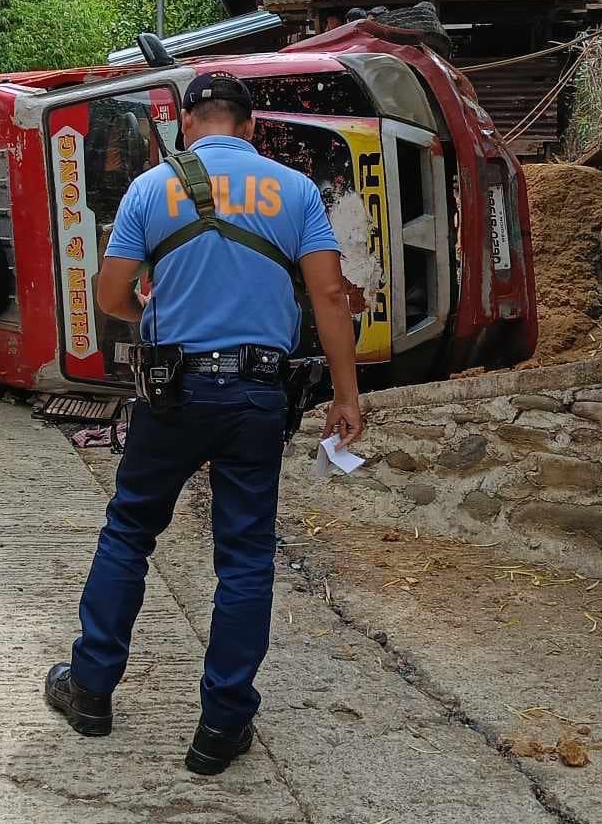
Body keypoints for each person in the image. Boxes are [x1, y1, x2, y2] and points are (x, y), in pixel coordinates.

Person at [44, 71, 365, 777]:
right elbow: (330, 296)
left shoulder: (149, 188)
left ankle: (91, 692)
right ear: (250, 128)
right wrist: (346, 394)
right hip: (257, 395)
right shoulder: (296, 190)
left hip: (173, 392)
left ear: (187, 126)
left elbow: (112, 295)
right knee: (245, 557)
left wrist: (153, 315)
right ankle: (220, 731)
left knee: (130, 530)